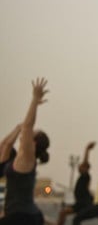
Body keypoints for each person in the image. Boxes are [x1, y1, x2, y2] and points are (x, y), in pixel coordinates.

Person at [0, 78, 50, 225]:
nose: (27, 132)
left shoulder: (27, 158)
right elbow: (6, 145)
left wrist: (34, 100)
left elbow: (28, 126)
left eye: (32, 133)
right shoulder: (19, 159)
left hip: (23, 217)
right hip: (20, 214)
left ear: (32, 142)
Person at [56, 142, 96, 225]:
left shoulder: (85, 176)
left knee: (67, 215)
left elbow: (85, 161)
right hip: (80, 203)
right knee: (65, 214)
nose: (79, 167)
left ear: (86, 168)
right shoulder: (82, 177)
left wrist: (87, 149)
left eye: (81, 166)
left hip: (84, 203)